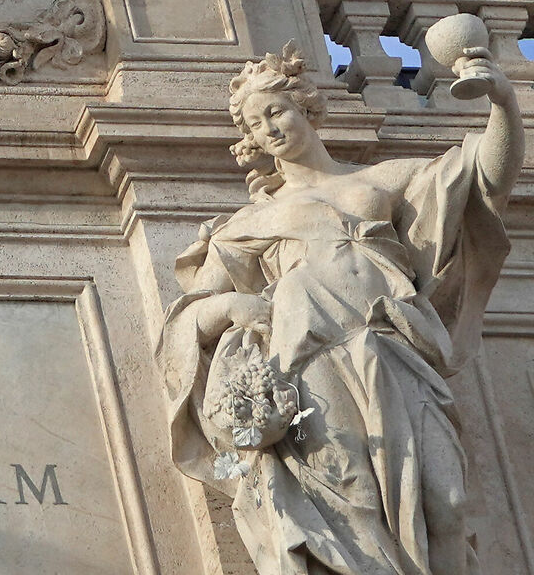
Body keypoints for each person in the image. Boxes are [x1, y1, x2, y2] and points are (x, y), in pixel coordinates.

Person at [159, 41, 522, 574]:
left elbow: (487, 178)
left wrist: (503, 102)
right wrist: (234, 304)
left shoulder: (382, 181)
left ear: (307, 107)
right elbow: (190, 316)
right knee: (355, 509)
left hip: (393, 350)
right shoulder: (246, 224)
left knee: (446, 504)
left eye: (276, 112)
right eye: (256, 125)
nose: (270, 130)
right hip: (311, 367)